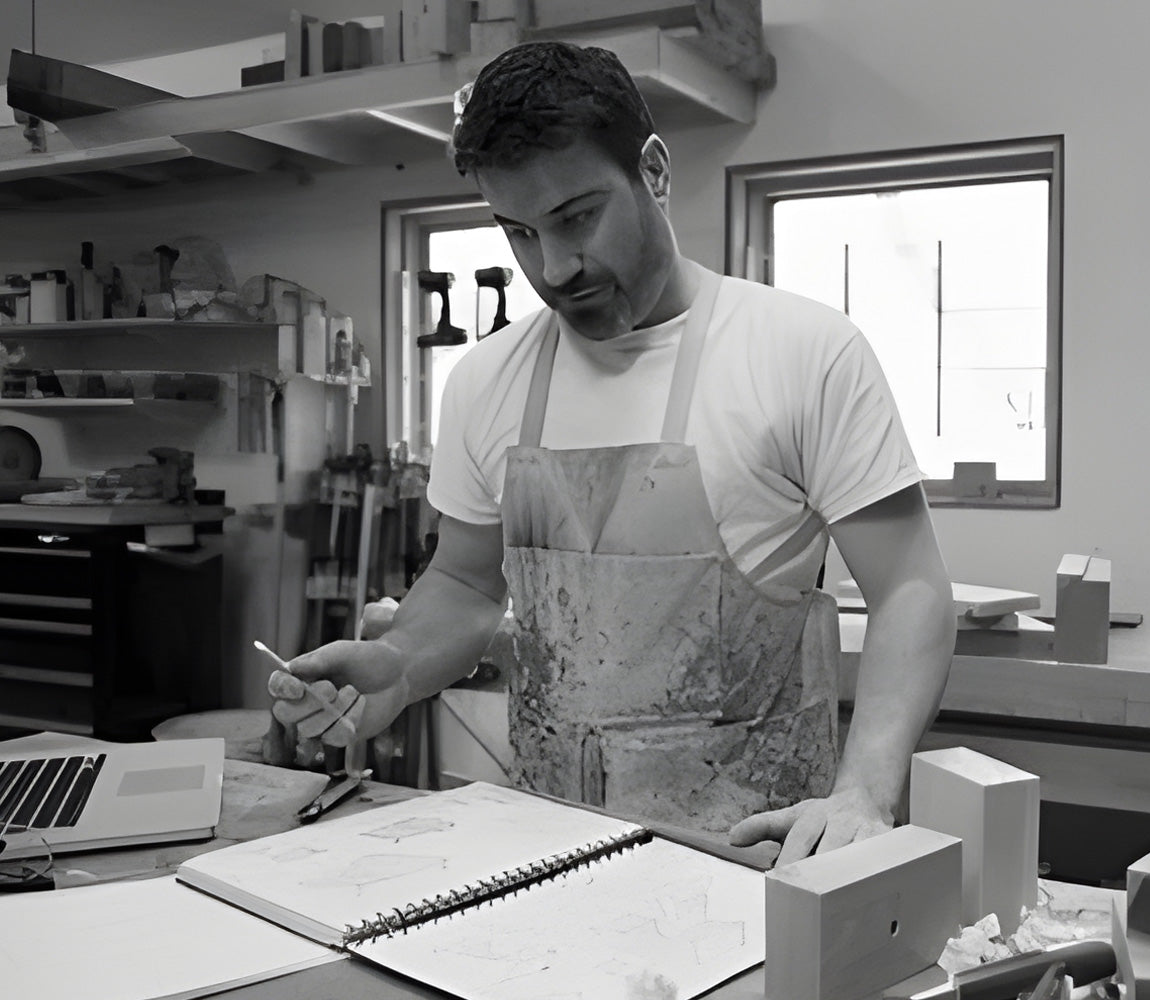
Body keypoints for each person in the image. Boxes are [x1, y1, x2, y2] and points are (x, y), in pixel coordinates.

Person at [268, 40, 956, 865]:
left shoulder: (803, 351)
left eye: (576, 218)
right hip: (552, 855)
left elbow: (911, 587)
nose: (554, 268)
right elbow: (463, 581)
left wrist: (864, 792)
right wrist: (397, 664)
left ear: (654, 173)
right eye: (519, 232)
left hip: (760, 855)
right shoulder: (487, 381)